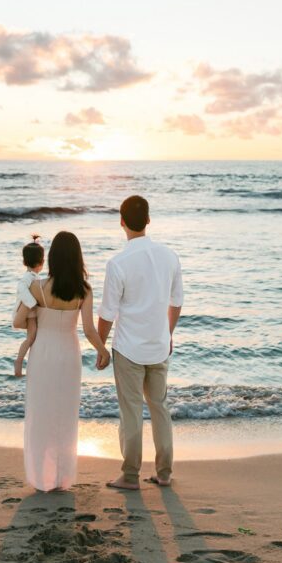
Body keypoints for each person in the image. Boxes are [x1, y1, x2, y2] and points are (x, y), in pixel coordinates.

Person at [97, 195, 183, 490]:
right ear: (148, 220)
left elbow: (107, 313)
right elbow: (177, 302)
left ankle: (130, 475)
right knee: (159, 407)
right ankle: (165, 473)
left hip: (128, 349)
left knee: (131, 410)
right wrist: (168, 333)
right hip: (159, 346)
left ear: (121, 222)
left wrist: (99, 346)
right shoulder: (170, 256)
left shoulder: (117, 263)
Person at [13, 230, 110, 492]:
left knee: (40, 412)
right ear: (78, 258)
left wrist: (34, 321)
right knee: (64, 416)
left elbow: (18, 321)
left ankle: (40, 478)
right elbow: (89, 329)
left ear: (52, 257)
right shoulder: (84, 290)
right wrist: (104, 351)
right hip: (69, 354)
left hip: (43, 353)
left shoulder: (37, 287)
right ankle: (61, 479)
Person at [13, 235, 45, 378]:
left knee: (32, 338)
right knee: (30, 338)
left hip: (32, 314)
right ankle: (19, 361)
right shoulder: (27, 277)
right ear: (42, 262)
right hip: (27, 313)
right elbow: (21, 289)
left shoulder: (36, 277)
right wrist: (33, 304)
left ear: (24, 261)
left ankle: (27, 364)